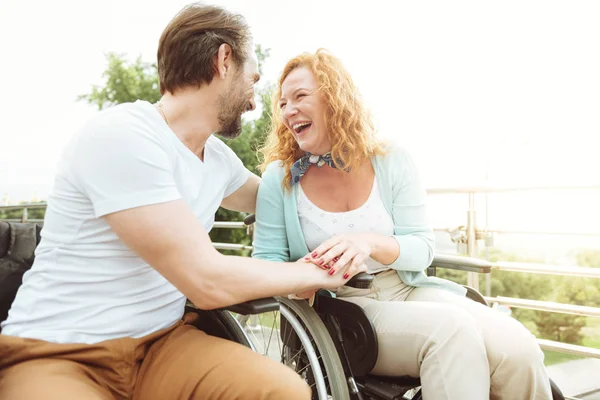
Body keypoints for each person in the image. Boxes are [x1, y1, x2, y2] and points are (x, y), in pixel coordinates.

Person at [0, 5, 365, 400]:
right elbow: (205, 280)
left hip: (161, 345)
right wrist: (313, 273)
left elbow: (283, 201)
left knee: (282, 391)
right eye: (253, 78)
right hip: (61, 352)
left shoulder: (218, 159)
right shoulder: (123, 136)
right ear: (224, 60)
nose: (255, 100)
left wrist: (356, 191)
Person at [252, 49, 553, 399]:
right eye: (283, 102)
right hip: (342, 308)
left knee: (519, 348)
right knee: (451, 334)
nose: (288, 110)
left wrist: (368, 242)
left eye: (300, 96)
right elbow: (266, 265)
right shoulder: (281, 178)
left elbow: (422, 249)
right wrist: (304, 278)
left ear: (335, 98)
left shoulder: (390, 160)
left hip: (408, 288)